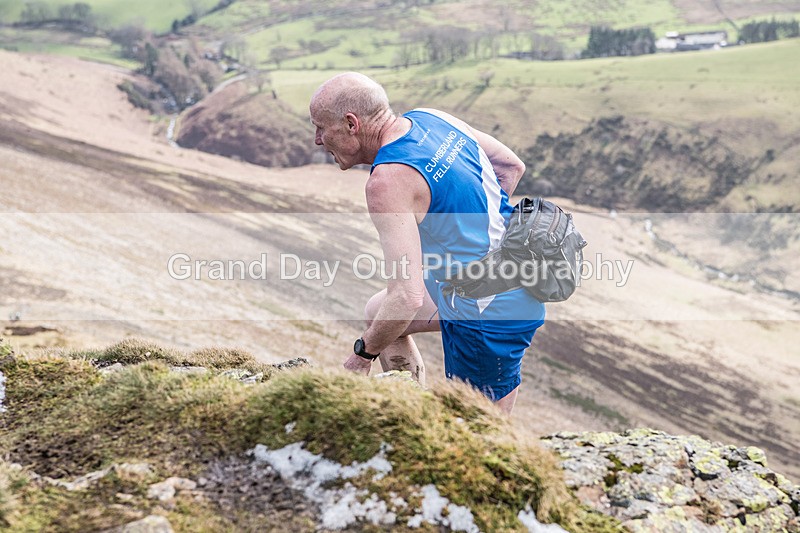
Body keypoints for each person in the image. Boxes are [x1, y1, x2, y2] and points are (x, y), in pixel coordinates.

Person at [309, 72, 545, 414]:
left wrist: (360, 357)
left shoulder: (387, 180)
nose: (318, 140)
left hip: (488, 313)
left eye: (321, 127)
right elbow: (510, 167)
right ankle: (411, 408)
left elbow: (407, 297)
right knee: (378, 312)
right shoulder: (432, 118)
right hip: (514, 275)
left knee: (478, 431)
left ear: (351, 124)